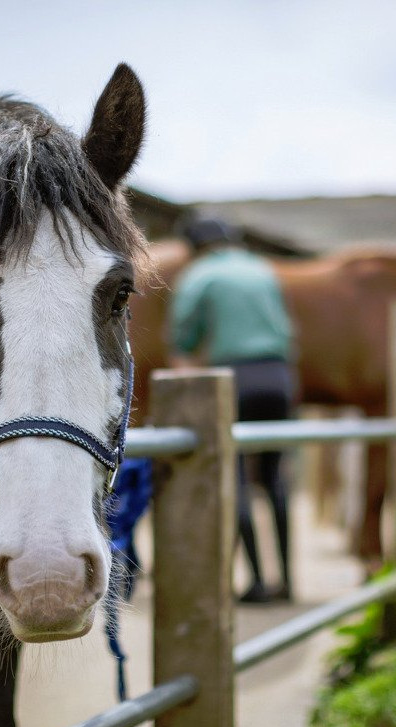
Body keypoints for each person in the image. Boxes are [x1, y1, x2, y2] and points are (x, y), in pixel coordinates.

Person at [169, 217, 296, 603]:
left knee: (237, 478)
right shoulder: (261, 269)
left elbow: (183, 334)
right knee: (275, 479)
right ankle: (288, 580)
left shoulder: (200, 274)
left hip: (236, 377)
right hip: (279, 375)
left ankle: (257, 580)